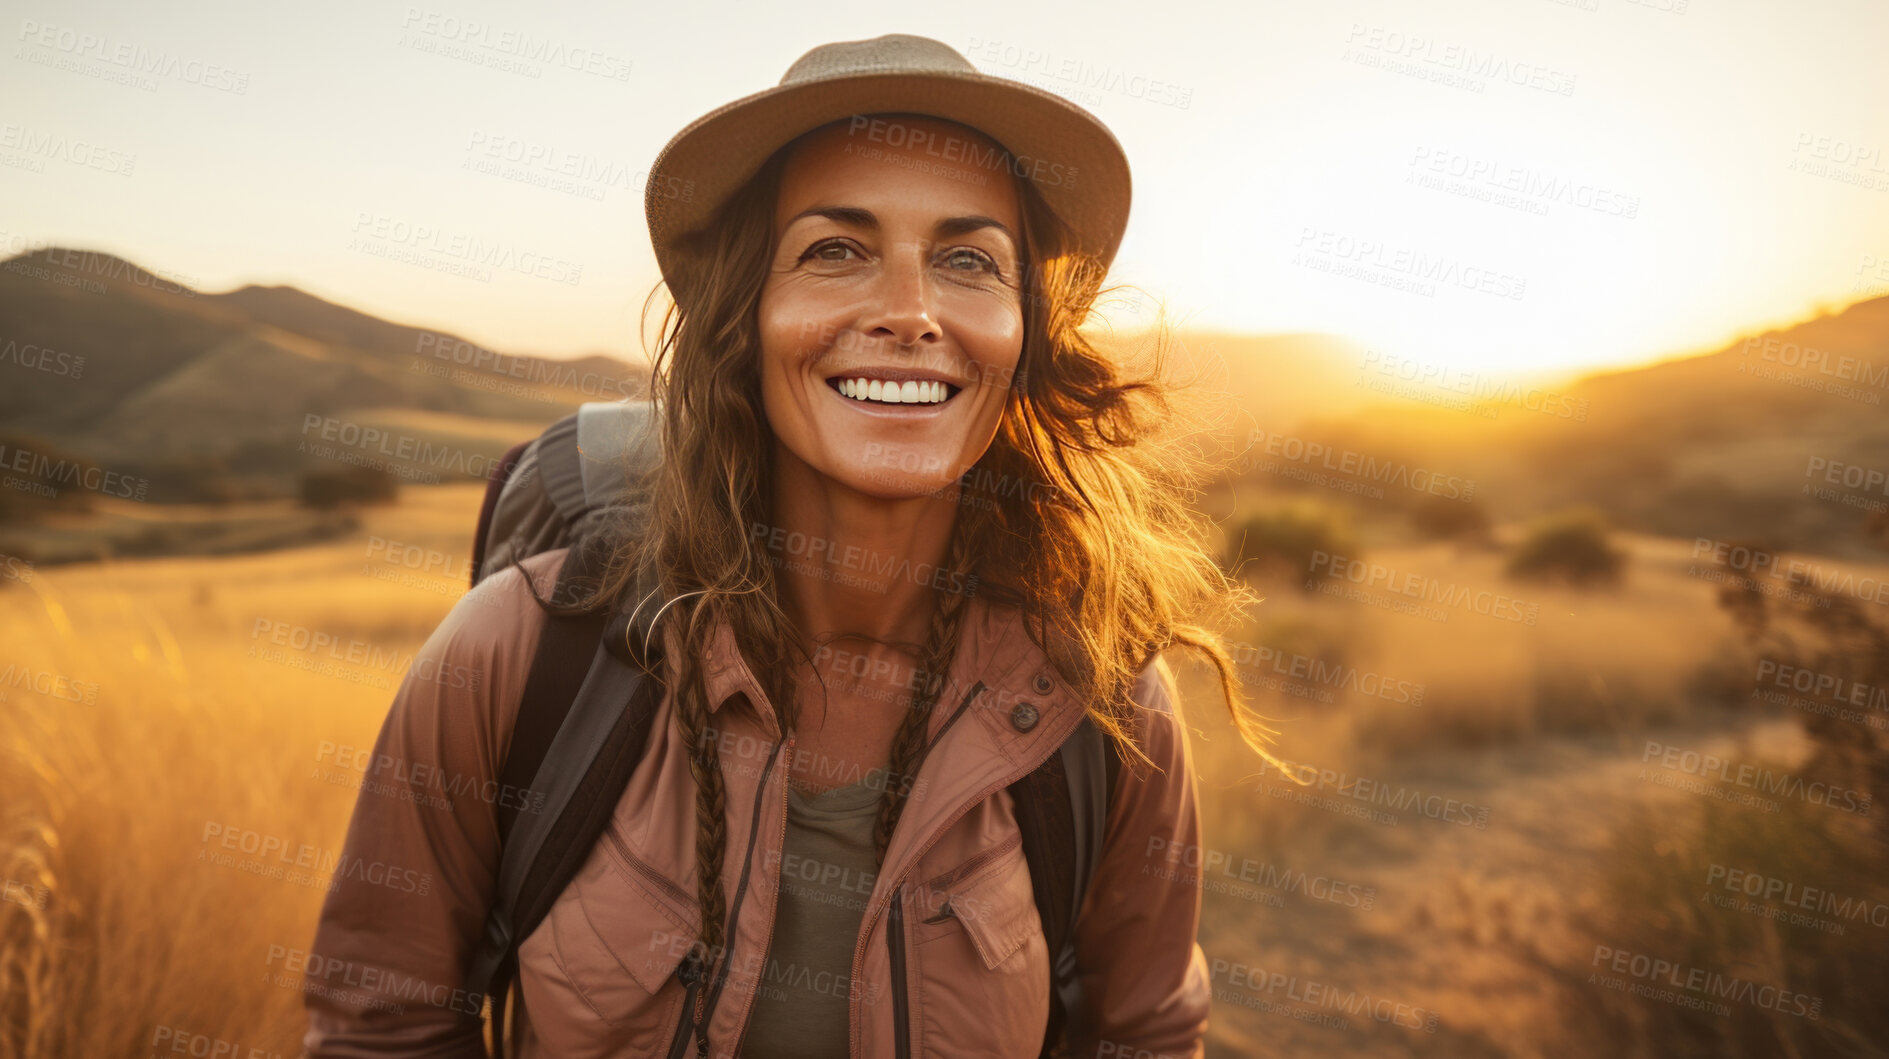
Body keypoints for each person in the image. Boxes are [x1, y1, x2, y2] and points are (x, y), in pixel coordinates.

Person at [302, 32, 1278, 1059]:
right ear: (743, 316)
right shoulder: (515, 655)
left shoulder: (1103, 702)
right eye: (833, 250)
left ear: (1022, 334)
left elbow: (1145, 1037)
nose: (908, 311)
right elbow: (382, 1031)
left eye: (967, 260)